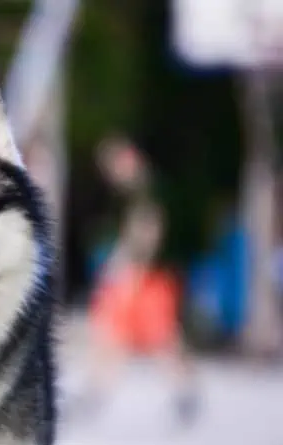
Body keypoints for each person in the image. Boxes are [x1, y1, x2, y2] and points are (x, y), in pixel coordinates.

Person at [76, 137, 200, 428]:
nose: (111, 174)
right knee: (114, 333)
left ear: (129, 158)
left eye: (114, 165)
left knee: (157, 338)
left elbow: (147, 232)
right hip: (143, 274)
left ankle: (184, 391)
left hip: (144, 276)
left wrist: (128, 268)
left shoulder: (143, 190)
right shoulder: (137, 191)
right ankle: (97, 388)